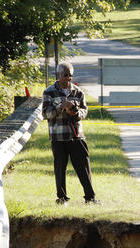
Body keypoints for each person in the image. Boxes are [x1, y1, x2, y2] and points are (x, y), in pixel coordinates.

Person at [42, 62, 100, 205]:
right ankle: (62, 199)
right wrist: (61, 108)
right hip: (58, 137)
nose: (68, 78)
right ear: (58, 75)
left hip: (76, 136)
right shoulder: (49, 92)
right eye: (65, 75)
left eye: (70, 76)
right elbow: (45, 114)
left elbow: (84, 112)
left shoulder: (78, 92)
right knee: (60, 169)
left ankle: (90, 198)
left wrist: (73, 110)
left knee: (84, 167)